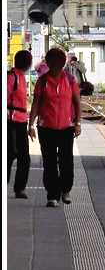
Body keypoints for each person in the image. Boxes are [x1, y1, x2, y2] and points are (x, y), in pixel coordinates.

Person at [28, 47, 82, 208]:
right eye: (53, 61)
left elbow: (77, 103)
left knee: (66, 161)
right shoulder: (42, 81)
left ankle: (66, 190)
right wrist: (30, 124)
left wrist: (77, 123)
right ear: (49, 63)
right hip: (46, 127)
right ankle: (52, 195)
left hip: (66, 126)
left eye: (59, 61)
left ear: (63, 63)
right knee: (50, 162)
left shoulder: (70, 80)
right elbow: (36, 103)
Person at [7, 49, 33, 199]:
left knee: (24, 157)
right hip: (10, 120)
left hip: (21, 121)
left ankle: (20, 188)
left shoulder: (21, 78)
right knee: (10, 153)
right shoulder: (11, 77)